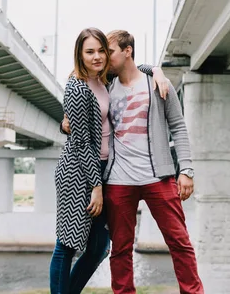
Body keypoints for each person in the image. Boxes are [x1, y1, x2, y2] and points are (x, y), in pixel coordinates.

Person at [50, 28, 169, 294]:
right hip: (78, 173)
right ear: (79, 55)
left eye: (101, 50)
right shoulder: (77, 87)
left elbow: (133, 64)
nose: (97, 57)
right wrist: (96, 186)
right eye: (89, 52)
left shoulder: (104, 79)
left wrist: (156, 70)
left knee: (99, 248)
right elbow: (81, 143)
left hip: (103, 169)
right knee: (67, 245)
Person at [104, 30, 203, 294]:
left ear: (127, 51)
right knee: (121, 250)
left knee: (180, 243)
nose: (104, 56)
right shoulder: (105, 85)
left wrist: (187, 170)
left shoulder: (159, 84)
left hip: (158, 177)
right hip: (118, 180)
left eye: (109, 51)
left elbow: (178, 128)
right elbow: (77, 77)